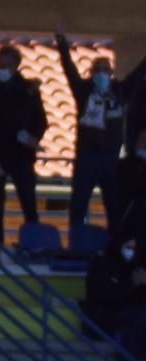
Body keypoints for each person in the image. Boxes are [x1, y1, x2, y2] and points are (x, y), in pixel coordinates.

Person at [57, 28, 145, 234]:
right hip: (86, 157)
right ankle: (76, 243)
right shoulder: (84, 91)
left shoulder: (120, 92)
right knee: (79, 203)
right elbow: (69, 70)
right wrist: (62, 46)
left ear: (111, 73)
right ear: (91, 73)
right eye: (97, 69)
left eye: (105, 69)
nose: (102, 73)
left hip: (111, 159)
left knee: (113, 206)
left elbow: (137, 74)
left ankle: (113, 246)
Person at [0, 45, 47, 250]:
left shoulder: (28, 89)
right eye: (0, 65)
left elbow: (41, 119)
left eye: (8, 65)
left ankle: (33, 246)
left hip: (22, 154)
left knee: (28, 203)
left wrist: (34, 137)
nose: (3, 69)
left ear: (17, 66)